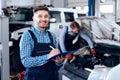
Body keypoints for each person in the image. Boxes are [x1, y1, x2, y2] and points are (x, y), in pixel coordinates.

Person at [19, 5, 64, 80]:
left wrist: (59, 62)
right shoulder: (27, 35)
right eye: (40, 16)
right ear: (33, 18)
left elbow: (56, 63)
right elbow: (26, 62)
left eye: (46, 16)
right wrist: (48, 57)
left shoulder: (52, 36)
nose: (43, 19)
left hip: (52, 77)